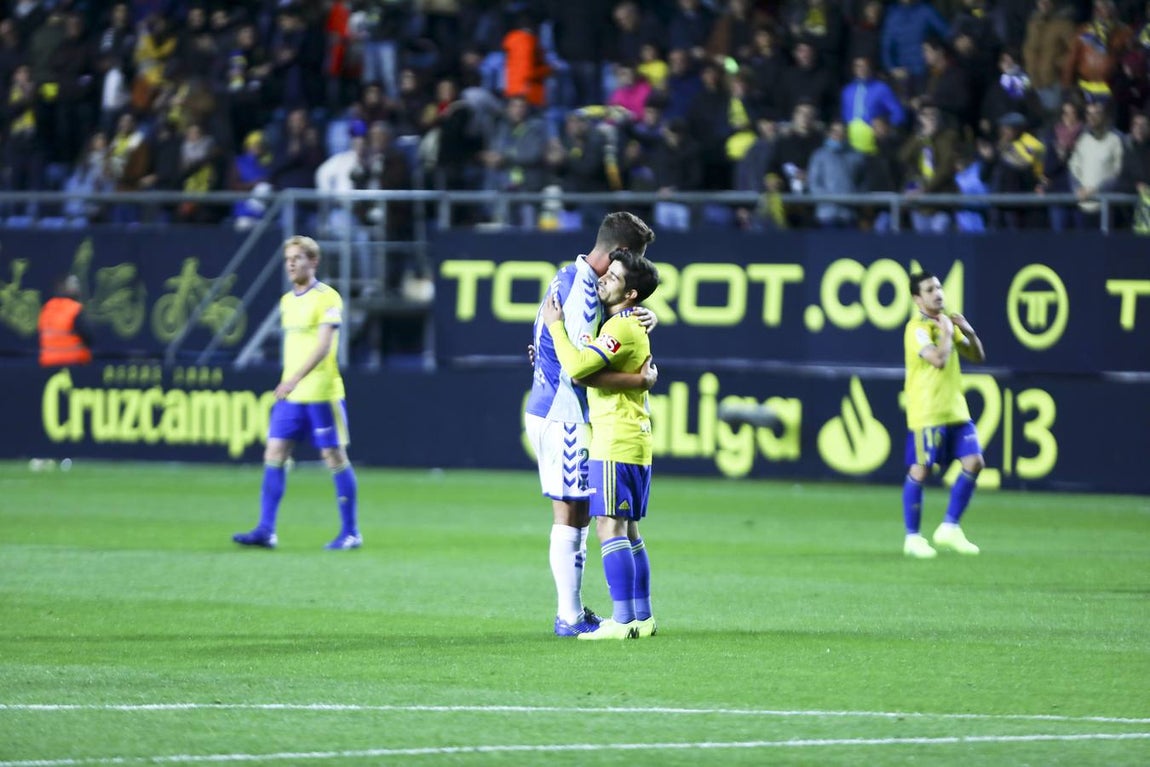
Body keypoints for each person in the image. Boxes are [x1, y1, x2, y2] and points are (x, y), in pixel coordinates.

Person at [525, 211, 656, 637]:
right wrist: (641, 379)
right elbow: (578, 369)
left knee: (584, 515)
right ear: (618, 252)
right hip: (565, 415)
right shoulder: (581, 294)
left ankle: (578, 614)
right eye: (629, 259)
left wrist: (643, 313)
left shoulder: (571, 275)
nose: (627, 269)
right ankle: (569, 616)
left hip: (563, 412)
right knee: (574, 515)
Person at [233, 236, 361, 551]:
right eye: (288, 258)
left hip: (320, 391)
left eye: (298, 258)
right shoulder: (287, 301)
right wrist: (290, 384)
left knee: (333, 456)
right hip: (291, 395)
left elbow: (323, 346)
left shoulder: (327, 297)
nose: (291, 263)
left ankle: (351, 532)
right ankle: (266, 530)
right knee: (274, 453)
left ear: (313, 262)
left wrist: (294, 379)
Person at [902, 271, 987, 559]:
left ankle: (950, 527)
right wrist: (949, 334)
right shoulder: (917, 329)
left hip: (955, 409)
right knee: (921, 470)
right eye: (929, 289)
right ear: (917, 298)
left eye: (939, 287)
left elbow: (977, 357)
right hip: (928, 410)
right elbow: (938, 360)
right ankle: (912, 538)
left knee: (974, 462)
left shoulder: (947, 323)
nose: (938, 293)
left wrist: (969, 332)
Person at [38, 275, 92, 367]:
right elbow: (88, 336)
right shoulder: (75, 308)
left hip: (48, 364)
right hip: (73, 362)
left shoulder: (47, 308)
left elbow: (40, 332)